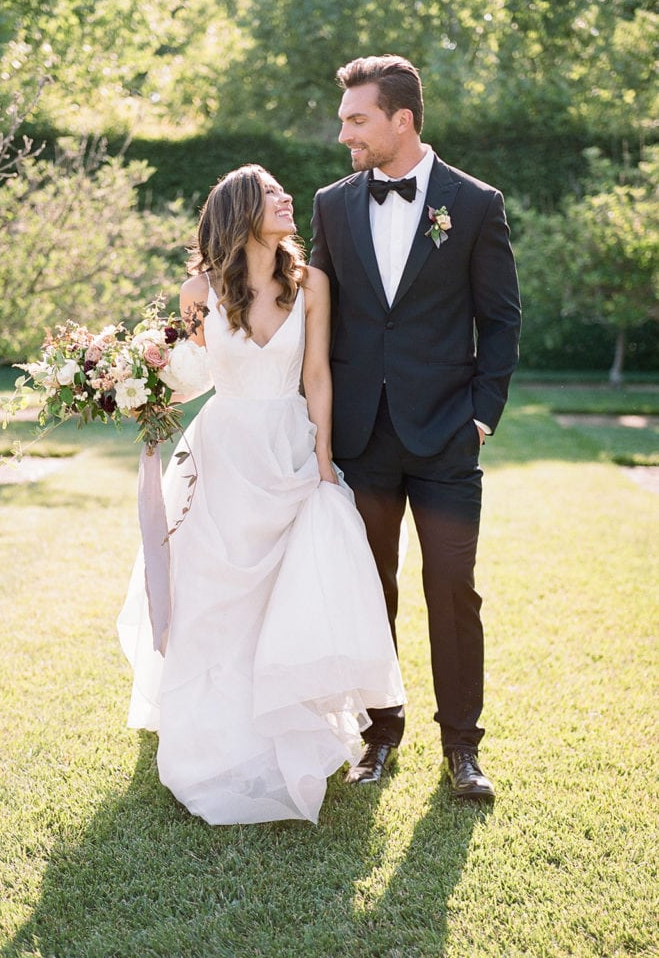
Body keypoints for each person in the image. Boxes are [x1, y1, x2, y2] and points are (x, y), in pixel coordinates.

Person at [117, 164, 405, 825]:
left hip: (289, 446)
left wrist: (324, 463)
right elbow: (189, 376)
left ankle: (282, 731)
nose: (287, 202)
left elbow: (318, 378)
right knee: (214, 597)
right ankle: (211, 737)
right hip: (220, 453)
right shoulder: (200, 288)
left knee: (285, 593)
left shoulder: (312, 285)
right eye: (274, 195)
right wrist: (130, 379)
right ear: (241, 210)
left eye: (284, 194)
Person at [310, 55, 521, 799]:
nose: (344, 135)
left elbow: (498, 319)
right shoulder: (331, 205)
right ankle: (377, 737)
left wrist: (481, 419)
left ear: (401, 120)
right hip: (359, 438)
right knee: (369, 590)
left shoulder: (474, 203)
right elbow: (311, 313)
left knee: (452, 588)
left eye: (356, 119)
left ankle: (462, 750)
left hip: (444, 436)